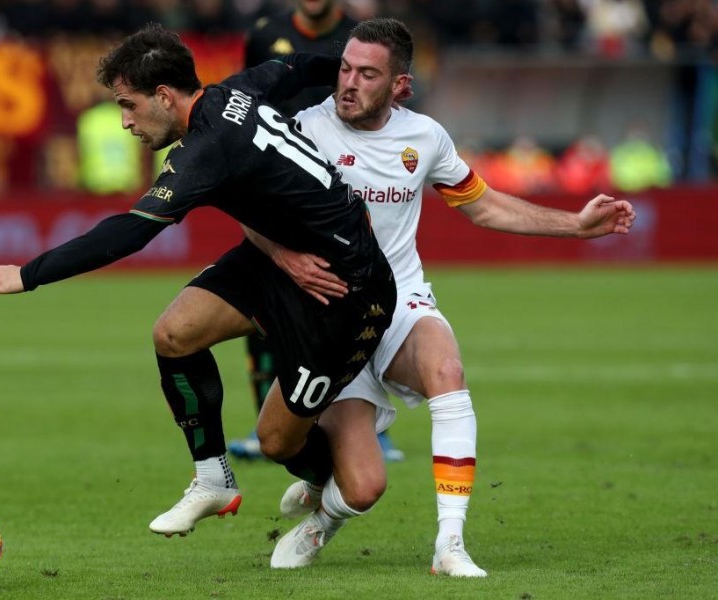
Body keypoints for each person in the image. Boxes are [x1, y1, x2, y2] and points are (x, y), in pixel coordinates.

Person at [0, 23, 397, 539]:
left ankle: (329, 489)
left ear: (164, 96)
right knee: (174, 333)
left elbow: (130, 232)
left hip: (345, 293)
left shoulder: (205, 150)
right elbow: (294, 68)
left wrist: (27, 275)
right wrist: (341, 72)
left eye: (129, 105)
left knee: (280, 444)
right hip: (282, 261)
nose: (125, 121)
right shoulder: (235, 91)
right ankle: (213, 479)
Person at [246, 18, 635, 574]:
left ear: (400, 85)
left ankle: (449, 546)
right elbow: (249, 207)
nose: (348, 83)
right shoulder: (303, 131)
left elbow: (483, 204)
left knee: (446, 368)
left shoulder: (425, 138)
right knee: (357, 484)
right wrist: (285, 263)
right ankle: (327, 511)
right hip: (329, 314)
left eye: (367, 74)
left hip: (400, 298)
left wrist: (575, 224)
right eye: (345, 69)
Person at [230, 0, 404, 463]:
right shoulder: (264, 34)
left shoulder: (359, 37)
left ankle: (368, 425)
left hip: (347, 176)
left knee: (358, 300)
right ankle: (265, 418)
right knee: (265, 303)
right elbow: (249, 99)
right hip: (282, 181)